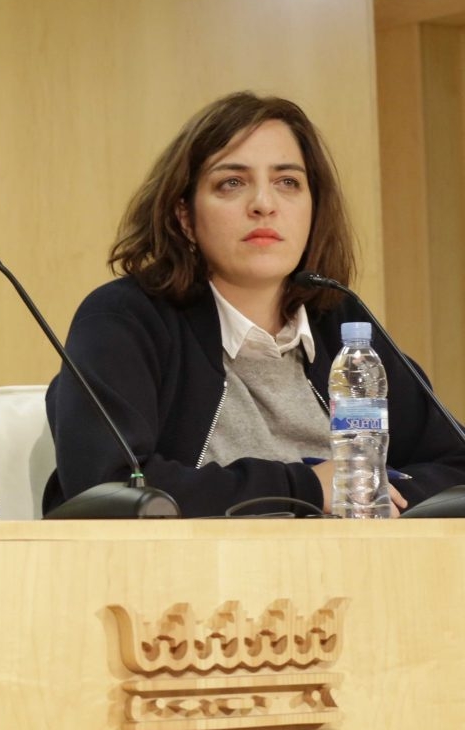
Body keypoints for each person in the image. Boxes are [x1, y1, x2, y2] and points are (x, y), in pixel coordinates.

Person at [45, 91, 465, 517]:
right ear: (184, 217)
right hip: (187, 577)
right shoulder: (125, 320)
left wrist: (371, 488)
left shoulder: (342, 324)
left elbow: (457, 464)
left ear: (313, 210)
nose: (264, 204)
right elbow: (109, 487)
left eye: (288, 183)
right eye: (232, 183)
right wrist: (305, 487)